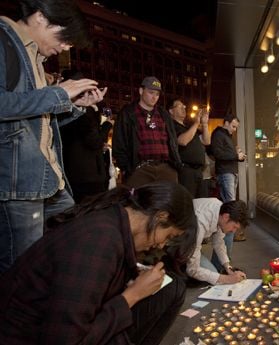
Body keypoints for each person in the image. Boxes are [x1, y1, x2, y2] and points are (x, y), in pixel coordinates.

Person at [0, 181, 197, 344]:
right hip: (23, 336)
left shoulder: (112, 222)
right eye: (168, 235)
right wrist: (132, 295)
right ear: (161, 216)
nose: (162, 245)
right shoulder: (99, 240)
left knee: (173, 288)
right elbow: (65, 340)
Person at [0, 0, 107, 273]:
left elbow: (36, 121)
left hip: (47, 181)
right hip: (19, 186)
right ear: (39, 17)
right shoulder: (4, 42)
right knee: (22, 270)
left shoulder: (34, 57)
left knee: (74, 245)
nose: (66, 47)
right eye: (65, 37)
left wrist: (74, 105)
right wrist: (58, 93)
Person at [112, 76, 181, 188]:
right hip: (140, 169)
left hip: (166, 167)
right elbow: (118, 144)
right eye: (151, 92)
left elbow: (172, 140)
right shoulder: (127, 113)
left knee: (169, 202)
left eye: (157, 94)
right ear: (141, 91)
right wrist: (128, 168)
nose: (154, 97)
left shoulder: (163, 114)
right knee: (137, 203)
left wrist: (174, 164)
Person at [60, 70, 113, 203]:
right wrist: (107, 125)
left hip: (71, 174)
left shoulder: (61, 108)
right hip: (88, 176)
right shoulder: (83, 111)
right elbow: (93, 141)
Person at [210, 114, 247, 259]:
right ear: (225, 123)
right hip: (225, 173)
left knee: (230, 205)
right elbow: (217, 154)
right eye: (233, 126)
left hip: (231, 172)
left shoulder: (226, 135)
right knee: (230, 207)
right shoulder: (218, 134)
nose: (234, 130)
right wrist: (235, 155)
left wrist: (238, 155)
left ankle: (227, 243)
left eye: (236, 127)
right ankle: (227, 239)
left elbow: (228, 154)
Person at [186, 198, 248, 285]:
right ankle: (178, 265)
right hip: (181, 245)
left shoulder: (221, 211)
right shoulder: (200, 223)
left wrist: (228, 267)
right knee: (208, 277)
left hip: (193, 243)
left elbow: (219, 243)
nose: (234, 231)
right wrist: (228, 279)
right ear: (226, 217)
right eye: (234, 227)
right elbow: (193, 270)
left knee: (213, 275)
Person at [169, 99, 210, 198]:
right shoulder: (171, 125)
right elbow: (182, 141)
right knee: (188, 201)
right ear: (171, 111)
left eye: (184, 106)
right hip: (186, 170)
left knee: (201, 202)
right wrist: (196, 123)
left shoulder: (188, 127)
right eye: (179, 106)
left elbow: (206, 141)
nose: (184, 108)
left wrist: (204, 124)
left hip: (199, 170)